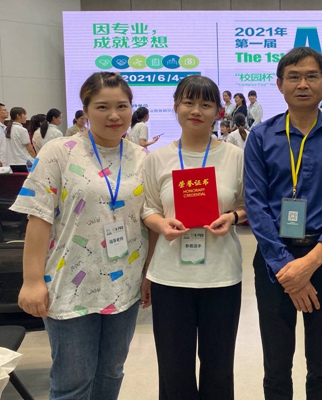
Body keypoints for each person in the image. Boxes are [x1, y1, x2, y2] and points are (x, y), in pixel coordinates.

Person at [11, 72, 149, 399]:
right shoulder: (59, 152)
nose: (114, 115)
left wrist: (147, 274)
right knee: (73, 383)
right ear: (85, 110)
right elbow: (39, 217)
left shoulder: (142, 157)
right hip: (69, 284)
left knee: (111, 373)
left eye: (122, 106)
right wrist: (32, 281)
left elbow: (148, 219)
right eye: (102, 107)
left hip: (125, 284)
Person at [244, 46, 322, 400]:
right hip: (274, 261)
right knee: (276, 366)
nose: (303, 84)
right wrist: (287, 270)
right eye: (293, 77)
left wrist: (310, 263)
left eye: (312, 76)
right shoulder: (261, 136)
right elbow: (256, 205)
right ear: (280, 84)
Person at [141, 74, 246, 399]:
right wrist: (161, 224)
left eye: (205, 104)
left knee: (219, 369)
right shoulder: (157, 158)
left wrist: (232, 217)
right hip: (170, 278)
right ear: (176, 106)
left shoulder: (235, 156)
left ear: (218, 111)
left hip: (221, 277)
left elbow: (248, 206)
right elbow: (148, 208)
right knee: (174, 371)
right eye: (189, 102)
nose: (196, 110)